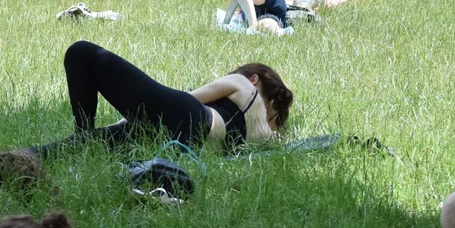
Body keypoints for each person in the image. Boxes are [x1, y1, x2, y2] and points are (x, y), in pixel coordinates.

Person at [26, 41, 292, 158]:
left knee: (80, 52)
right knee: (89, 144)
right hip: (180, 138)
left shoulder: (243, 83)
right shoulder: (264, 136)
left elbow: (189, 97)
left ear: (254, 78)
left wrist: (132, 112)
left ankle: (82, 135)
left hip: (185, 116)